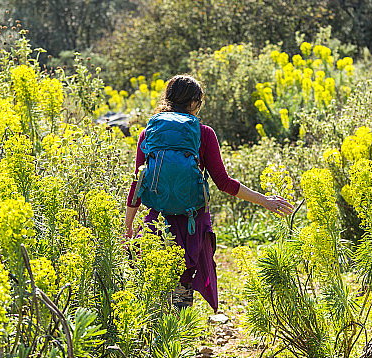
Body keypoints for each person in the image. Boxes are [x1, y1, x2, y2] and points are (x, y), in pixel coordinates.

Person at [123, 74, 294, 311]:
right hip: (192, 222)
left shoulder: (148, 133)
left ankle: (156, 341)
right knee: (182, 289)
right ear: (194, 102)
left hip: (158, 220)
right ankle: (179, 338)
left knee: (156, 285)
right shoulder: (204, 133)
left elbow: (138, 182)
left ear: (168, 99)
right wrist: (264, 200)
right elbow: (223, 183)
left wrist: (128, 225)